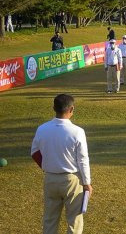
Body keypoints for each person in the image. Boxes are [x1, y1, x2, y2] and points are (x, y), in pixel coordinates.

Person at [31, 94, 93, 234]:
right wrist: (87, 182)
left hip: (50, 178)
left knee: (50, 219)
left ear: (54, 108)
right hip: (71, 180)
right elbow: (82, 159)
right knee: (74, 221)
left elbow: (34, 152)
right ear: (71, 109)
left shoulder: (42, 129)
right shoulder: (77, 132)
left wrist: (47, 165)